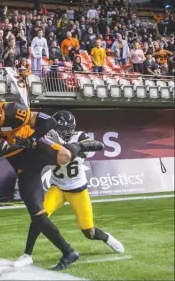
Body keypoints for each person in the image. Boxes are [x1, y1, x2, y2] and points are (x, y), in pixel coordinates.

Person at [0, 92, 104, 271]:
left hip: (34, 148)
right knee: (37, 215)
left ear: (0, 111)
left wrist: (30, 139)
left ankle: (81, 145)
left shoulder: (15, 111)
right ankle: (68, 252)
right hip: (20, 163)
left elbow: (49, 122)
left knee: (64, 156)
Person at [14, 111, 125, 267]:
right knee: (39, 217)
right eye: (59, 128)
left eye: (65, 129)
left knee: (89, 232)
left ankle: (107, 238)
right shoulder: (49, 136)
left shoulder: (79, 136)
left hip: (77, 189)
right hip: (57, 187)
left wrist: (71, 147)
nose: (62, 132)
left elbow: (98, 145)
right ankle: (27, 254)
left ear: (72, 128)